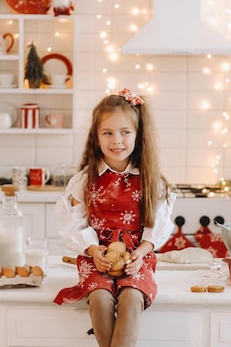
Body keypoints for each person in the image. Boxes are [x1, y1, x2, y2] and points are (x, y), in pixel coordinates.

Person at [53, 88, 175, 347]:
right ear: (96, 138)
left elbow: (159, 225)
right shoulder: (84, 180)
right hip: (96, 257)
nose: (116, 140)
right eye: (107, 133)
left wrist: (141, 253)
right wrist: (93, 249)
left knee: (132, 297)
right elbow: (73, 223)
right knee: (99, 297)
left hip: (137, 257)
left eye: (125, 132)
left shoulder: (152, 181)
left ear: (138, 135)